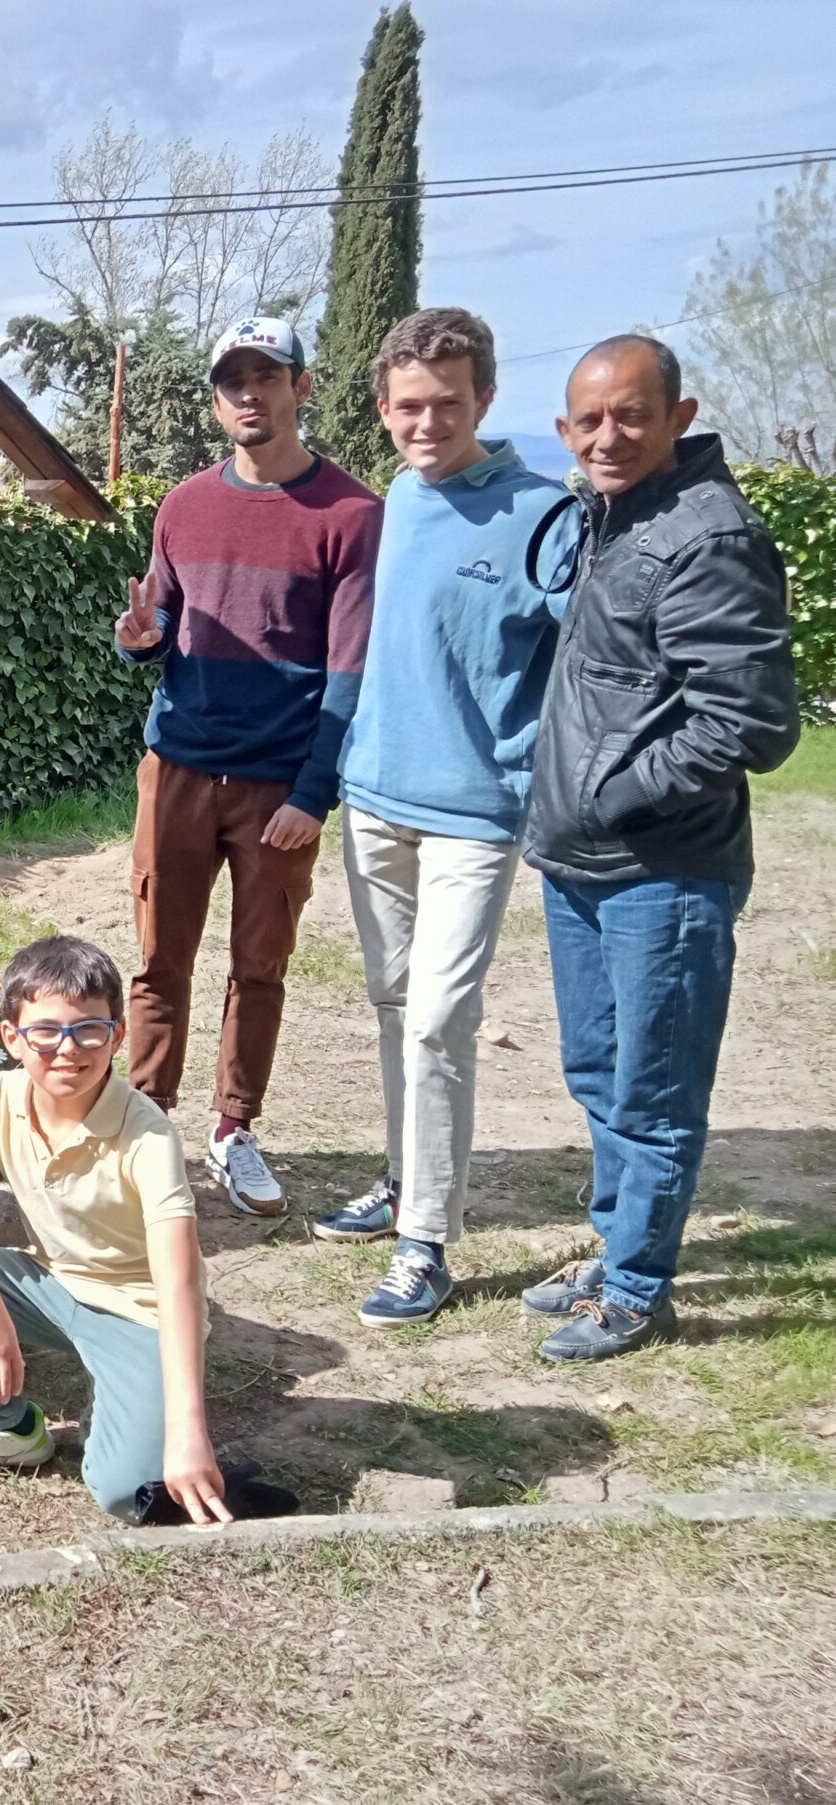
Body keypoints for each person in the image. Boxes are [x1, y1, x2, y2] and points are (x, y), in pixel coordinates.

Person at [518, 335, 801, 1361]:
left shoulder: (707, 535)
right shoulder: (613, 517)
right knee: (599, 1072)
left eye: (630, 415)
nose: (608, 436)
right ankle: (618, 1247)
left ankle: (638, 1288)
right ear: (564, 428)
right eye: (588, 420)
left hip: (663, 870)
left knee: (653, 1090)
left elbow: (751, 724)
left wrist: (612, 798)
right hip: (583, 863)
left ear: (678, 417)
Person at [316, 309, 577, 1329]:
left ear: (485, 400)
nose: (427, 424)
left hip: (477, 811)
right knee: (393, 1007)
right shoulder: (399, 497)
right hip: (374, 800)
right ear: (384, 409)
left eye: (448, 404)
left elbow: (588, 660)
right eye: (409, 407)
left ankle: (424, 1242)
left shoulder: (543, 514)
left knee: (437, 1019)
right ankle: (401, 1179)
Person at [114, 316, 382, 1219]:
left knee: (258, 966)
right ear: (217, 401)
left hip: (278, 787)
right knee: (159, 961)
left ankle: (235, 1128)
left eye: (268, 377)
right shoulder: (183, 505)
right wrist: (141, 640)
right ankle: (147, 1128)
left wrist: (314, 794)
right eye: (234, 381)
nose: (250, 395)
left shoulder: (352, 515)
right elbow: (164, 621)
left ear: (301, 387)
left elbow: (350, 672)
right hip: (178, 770)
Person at [0, 937, 232, 1521]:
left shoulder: (148, 1135)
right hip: (50, 1283)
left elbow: (179, 1281)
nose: (68, 1049)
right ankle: (7, 1427)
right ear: (12, 1038)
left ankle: (124, 1409)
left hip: (138, 1310)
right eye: (45, 1031)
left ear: (118, 1034)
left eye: (89, 1030)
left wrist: (190, 1429)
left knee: (126, 1492)